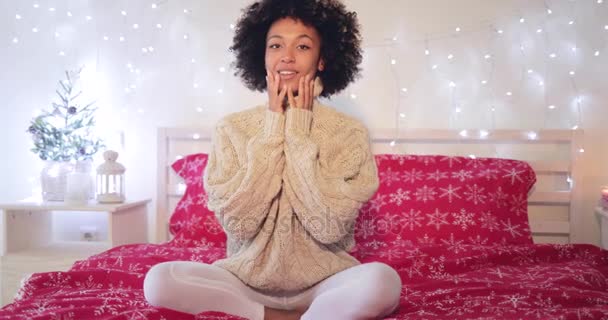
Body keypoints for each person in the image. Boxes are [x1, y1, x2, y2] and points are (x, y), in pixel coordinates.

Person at [143, 0, 402, 319]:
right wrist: (271, 127)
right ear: (262, 56)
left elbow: (328, 227)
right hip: (243, 281)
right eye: (276, 45)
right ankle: (283, 315)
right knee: (159, 282)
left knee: (383, 282)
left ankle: (301, 311)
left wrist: (297, 131)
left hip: (326, 282)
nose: (287, 56)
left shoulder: (348, 132)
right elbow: (241, 223)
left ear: (322, 60)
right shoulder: (232, 129)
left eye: (303, 46)